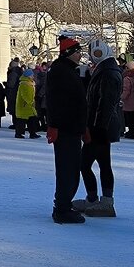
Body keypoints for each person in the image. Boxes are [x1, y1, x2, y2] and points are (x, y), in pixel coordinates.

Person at [75, 41, 123, 218]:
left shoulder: (108, 72)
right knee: (102, 163)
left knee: (85, 164)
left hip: (101, 126)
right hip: (103, 126)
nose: (93, 55)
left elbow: (105, 103)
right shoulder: (107, 69)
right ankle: (102, 200)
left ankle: (96, 199)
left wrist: (97, 127)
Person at [46, 36, 88, 224]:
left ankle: (64, 203)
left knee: (71, 168)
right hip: (65, 128)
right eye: (78, 52)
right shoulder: (61, 71)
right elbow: (55, 101)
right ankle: (61, 208)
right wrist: (54, 125)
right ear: (69, 54)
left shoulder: (67, 70)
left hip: (71, 126)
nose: (80, 56)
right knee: (67, 169)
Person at [15, 68, 41, 139]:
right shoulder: (24, 84)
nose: (33, 76)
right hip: (25, 105)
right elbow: (24, 95)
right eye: (32, 75)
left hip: (28, 105)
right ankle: (19, 133)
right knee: (22, 120)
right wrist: (30, 101)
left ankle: (32, 133)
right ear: (28, 76)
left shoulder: (29, 83)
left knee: (30, 119)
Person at [6, 58, 22, 128]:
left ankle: (15, 124)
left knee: (13, 109)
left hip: (13, 92)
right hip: (16, 91)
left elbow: (11, 84)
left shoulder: (13, 73)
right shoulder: (19, 71)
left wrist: (6, 84)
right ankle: (17, 123)